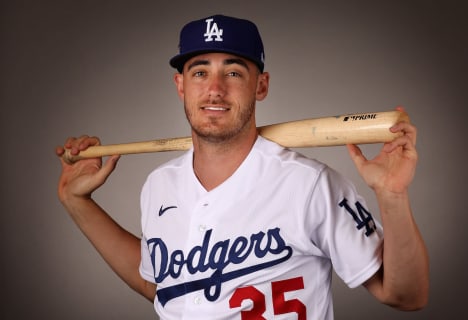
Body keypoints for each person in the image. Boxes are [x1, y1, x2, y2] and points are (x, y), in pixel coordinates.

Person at [56, 14, 429, 319]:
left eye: (233, 72)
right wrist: (78, 202)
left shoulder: (309, 184)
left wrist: (392, 196)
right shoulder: (159, 185)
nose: (215, 88)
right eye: (200, 72)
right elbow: (163, 288)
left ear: (261, 86)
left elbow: (406, 295)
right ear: (180, 85)